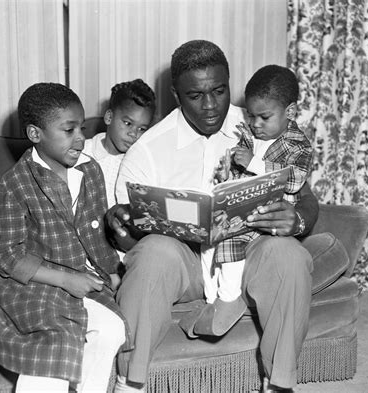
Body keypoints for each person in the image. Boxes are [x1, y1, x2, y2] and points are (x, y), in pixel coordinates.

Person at [108, 40, 317, 393]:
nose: (210, 106)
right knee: (154, 253)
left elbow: (308, 198)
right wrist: (123, 225)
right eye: (195, 96)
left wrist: (295, 220)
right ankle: (131, 381)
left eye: (219, 91)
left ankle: (279, 384)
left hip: (248, 251)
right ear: (175, 94)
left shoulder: (257, 121)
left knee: (290, 256)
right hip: (184, 263)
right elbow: (131, 245)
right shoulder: (147, 151)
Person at [0, 82, 130, 393]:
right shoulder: (13, 185)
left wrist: (112, 270)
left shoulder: (90, 171)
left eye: (81, 127)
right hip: (36, 285)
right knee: (58, 340)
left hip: (84, 278)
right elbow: (7, 256)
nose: (81, 138)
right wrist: (66, 281)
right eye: (69, 130)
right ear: (35, 134)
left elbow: (98, 235)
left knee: (113, 329)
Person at [194, 64, 314, 337]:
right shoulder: (248, 137)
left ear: (290, 112)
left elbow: (294, 180)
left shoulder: (298, 144)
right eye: (251, 116)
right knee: (208, 240)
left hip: (268, 218)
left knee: (230, 240)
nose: (256, 124)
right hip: (243, 208)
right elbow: (239, 176)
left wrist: (255, 162)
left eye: (264, 117)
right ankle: (212, 299)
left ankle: (228, 298)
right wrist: (226, 174)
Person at [83, 79, 156, 208]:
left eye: (142, 129)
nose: (133, 134)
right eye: (128, 123)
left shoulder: (142, 162)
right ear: (109, 117)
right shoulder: (82, 154)